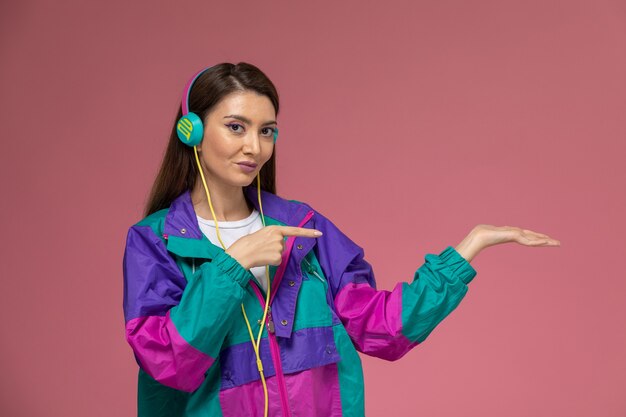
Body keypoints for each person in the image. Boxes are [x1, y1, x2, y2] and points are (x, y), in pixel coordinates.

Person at [122, 62, 560, 417]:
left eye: (266, 130)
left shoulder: (304, 228)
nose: (254, 147)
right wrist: (233, 265)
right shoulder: (155, 242)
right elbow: (168, 364)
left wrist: (467, 250)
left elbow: (381, 330)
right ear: (192, 132)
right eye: (236, 127)